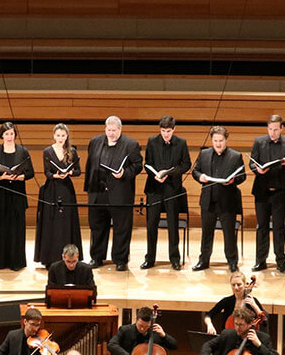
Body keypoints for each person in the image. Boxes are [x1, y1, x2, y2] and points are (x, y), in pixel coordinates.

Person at [84, 115, 142, 271]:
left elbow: (137, 166)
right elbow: (90, 165)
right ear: (105, 129)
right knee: (97, 226)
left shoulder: (131, 144)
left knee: (122, 228)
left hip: (120, 194)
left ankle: (120, 259)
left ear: (120, 130)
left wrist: (124, 173)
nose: (111, 133)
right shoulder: (95, 142)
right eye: (108, 130)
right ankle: (97, 257)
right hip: (98, 192)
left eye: (114, 130)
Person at [191, 126, 246, 272]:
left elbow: (242, 176)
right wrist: (200, 177)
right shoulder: (204, 154)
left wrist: (233, 180)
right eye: (215, 140)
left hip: (227, 201)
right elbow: (195, 171)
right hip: (208, 201)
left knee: (229, 234)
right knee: (206, 233)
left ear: (226, 139)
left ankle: (232, 262)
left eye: (221, 140)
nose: (218, 143)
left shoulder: (235, 156)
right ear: (212, 140)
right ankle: (204, 260)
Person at [249, 114, 285, 274]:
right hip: (262, 191)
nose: (272, 132)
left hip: (280, 192)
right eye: (270, 129)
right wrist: (257, 169)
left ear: (282, 128)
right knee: (261, 227)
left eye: (276, 129)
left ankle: (281, 262)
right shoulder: (259, 142)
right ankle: (260, 261)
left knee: (278, 227)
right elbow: (252, 162)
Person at [142, 116, 191, 270]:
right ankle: (150, 258)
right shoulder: (152, 141)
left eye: (168, 131)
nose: (165, 134)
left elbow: (186, 164)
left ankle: (175, 259)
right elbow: (147, 163)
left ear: (173, 129)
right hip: (154, 188)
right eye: (163, 131)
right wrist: (156, 175)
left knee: (172, 224)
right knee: (151, 225)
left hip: (172, 188)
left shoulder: (181, 143)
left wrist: (170, 173)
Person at [34, 123, 83, 268]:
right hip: (52, 190)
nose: (60, 138)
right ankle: (50, 258)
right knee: (52, 223)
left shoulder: (72, 151)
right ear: (54, 135)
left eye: (63, 135)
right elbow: (47, 173)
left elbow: (78, 171)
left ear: (66, 136)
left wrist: (70, 173)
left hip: (66, 189)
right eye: (58, 135)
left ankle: (69, 258)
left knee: (66, 223)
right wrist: (55, 175)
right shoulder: (48, 151)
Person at [0, 122, 34, 271]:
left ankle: (16, 262)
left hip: (18, 194)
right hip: (1, 194)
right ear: (2, 135)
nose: (9, 136)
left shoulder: (23, 151)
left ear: (15, 134)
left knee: (17, 229)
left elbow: (30, 173)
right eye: (6, 134)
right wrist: (3, 177)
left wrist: (21, 177)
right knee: (1, 229)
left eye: (12, 133)